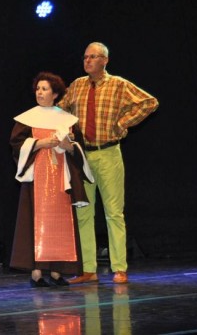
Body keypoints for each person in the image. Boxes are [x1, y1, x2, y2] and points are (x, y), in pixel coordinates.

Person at [58, 42, 159, 284]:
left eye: (93, 57)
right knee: (83, 211)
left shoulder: (118, 84)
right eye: (85, 57)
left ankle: (119, 268)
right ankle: (88, 270)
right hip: (83, 155)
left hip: (109, 153)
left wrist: (123, 122)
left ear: (105, 60)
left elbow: (149, 102)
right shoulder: (77, 85)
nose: (88, 61)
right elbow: (60, 110)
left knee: (113, 213)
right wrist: (66, 132)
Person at [9, 72, 95, 287]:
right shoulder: (27, 118)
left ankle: (57, 272)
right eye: (38, 88)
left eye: (45, 89)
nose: (40, 92)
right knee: (36, 224)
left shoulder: (67, 119)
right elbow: (17, 145)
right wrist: (39, 143)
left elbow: (78, 147)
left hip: (60, 180)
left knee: (60, 224)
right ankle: (36, 273)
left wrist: (69, 147)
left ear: (55, 94)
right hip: (36, 180)